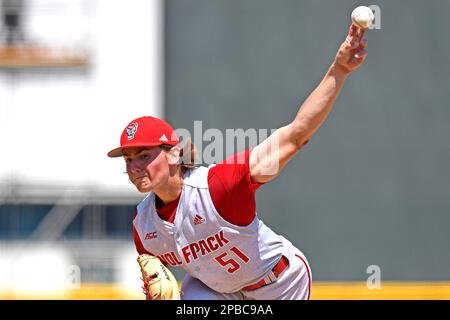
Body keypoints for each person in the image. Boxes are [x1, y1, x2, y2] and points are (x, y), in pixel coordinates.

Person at [107, 24, 368, 300]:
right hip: (218, 292)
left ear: (173, 154)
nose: (134, 167)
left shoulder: (219, 187)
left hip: (279, 283)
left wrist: (338, 70)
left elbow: (296, 135)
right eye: (128, 159)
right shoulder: (144, 226)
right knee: (191, 295)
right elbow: (155, 275)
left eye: (144, 155)